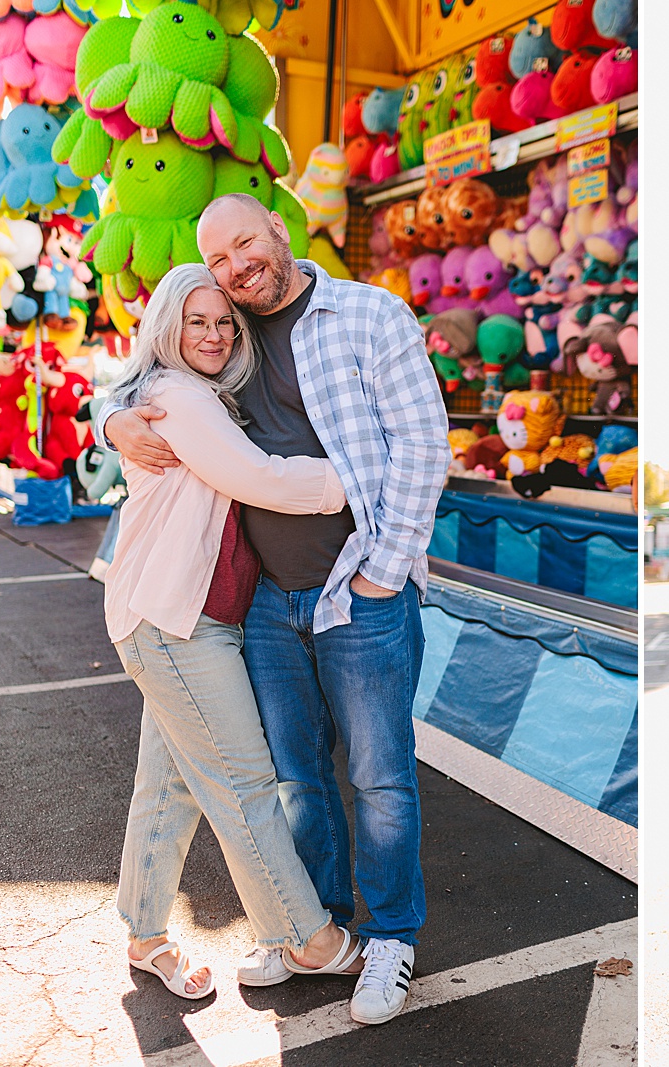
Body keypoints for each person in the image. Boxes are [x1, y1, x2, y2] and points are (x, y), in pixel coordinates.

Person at [99, 194, 450, 1025]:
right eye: (215, 268)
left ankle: (387, 937)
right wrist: (109, 418)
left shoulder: (362, 314)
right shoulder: (210, 366)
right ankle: (308, 926)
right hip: (251, 608)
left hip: (355, 592)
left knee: (377, 777)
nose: (231, 282)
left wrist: (382, 567)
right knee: (289, 778)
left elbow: (426, 446)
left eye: (243, 248)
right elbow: (191, 423)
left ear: (279, 231)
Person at [104, 264, 364, 999]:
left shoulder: (181, 392)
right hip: (175, 622)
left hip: (171, 616)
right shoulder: (180, 395)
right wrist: (357, 480)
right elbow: (261, 478)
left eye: (224, 321)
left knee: (170, 785)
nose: (214, 334)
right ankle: (307, 937)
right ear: (167, 327)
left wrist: (108, 414)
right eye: (197, 321)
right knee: (244, 782)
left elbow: (124, 402)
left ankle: (145, 933)